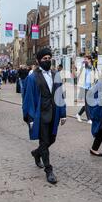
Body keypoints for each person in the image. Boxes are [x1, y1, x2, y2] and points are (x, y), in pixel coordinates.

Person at [23, 48, 67, 185]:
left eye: (49, 58)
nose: (47, 61)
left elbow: (60, 95)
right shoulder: (32, 77)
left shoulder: (56, 74)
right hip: (40, 115)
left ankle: (37, 153)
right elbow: (28, 99)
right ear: (38, 61)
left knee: (51, 139)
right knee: (44, 142)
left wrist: (63, 113)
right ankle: (49, 170)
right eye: (44, 59)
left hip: (54, 112)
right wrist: (30, 118)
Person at [76, 56, 98, 124]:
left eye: (86, 59)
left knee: (87, 103)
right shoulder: (83, 67)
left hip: (90, 87)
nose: (84, 60)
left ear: (89, 60)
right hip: (83, 87)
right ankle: (89, 119)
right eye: (84, 59)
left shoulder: (93, 68)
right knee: (87, 103)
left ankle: (78, 114)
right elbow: (77, 74)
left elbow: (96, 78)